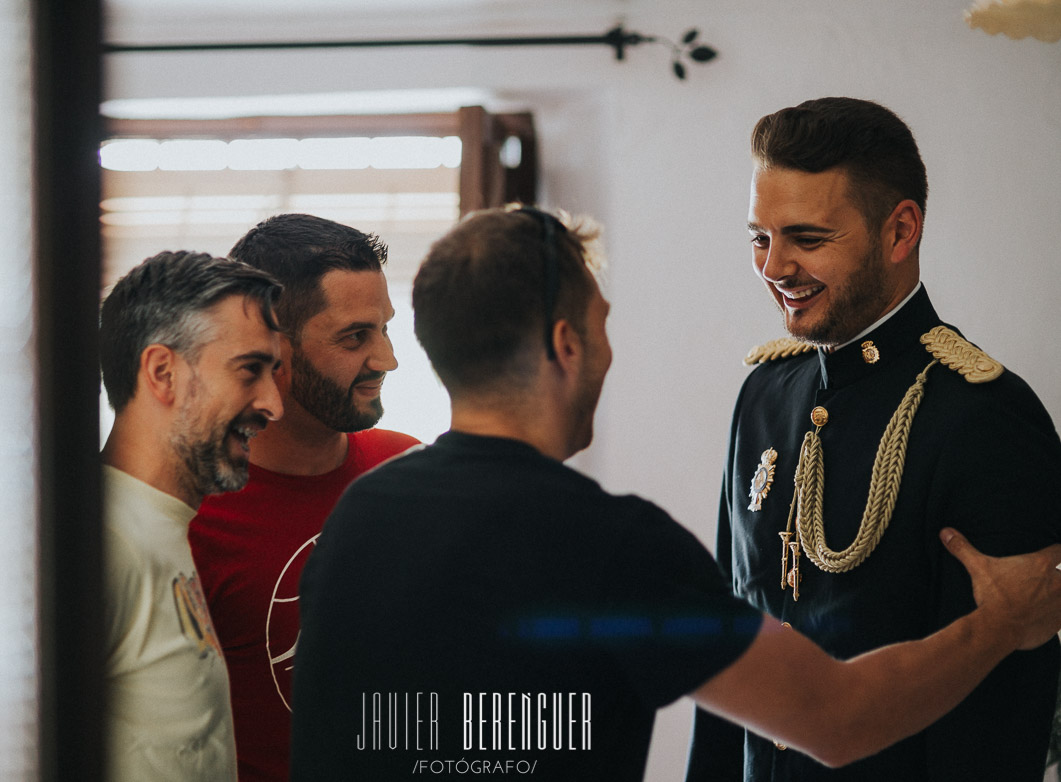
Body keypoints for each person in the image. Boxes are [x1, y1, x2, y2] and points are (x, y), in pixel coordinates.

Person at [289, 205, 1061, 781]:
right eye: (599, 324)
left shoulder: (360, 513)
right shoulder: (607, 545)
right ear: (566, 344)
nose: (607, 351)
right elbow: (834, 716)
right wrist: (1000, 625)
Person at [686, 97, 1061, 781]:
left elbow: (1001, 714)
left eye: (806, 237)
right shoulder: (765, 395)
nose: (773, 266)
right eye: (758, 237)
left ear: (899, 232)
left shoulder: (984, 419)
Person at [189, 214, 420, 781]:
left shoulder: (412, 472)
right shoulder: (190, 515)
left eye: (386, 328)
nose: (387, 359)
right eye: (354, 336)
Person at [99, 250, 285, 781]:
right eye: (250, 370)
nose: (273, 403)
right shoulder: (105, 542)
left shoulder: (161, 526)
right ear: (163, 372)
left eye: (273, 372)